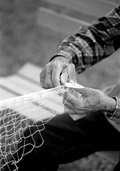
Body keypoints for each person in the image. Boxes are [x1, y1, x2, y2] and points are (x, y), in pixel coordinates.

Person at [3, 5, 120, 171]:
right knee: (39, 139)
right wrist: (64, 57)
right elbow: (101, 35)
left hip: (113, 107)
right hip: (112, 117)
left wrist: (111, 105)